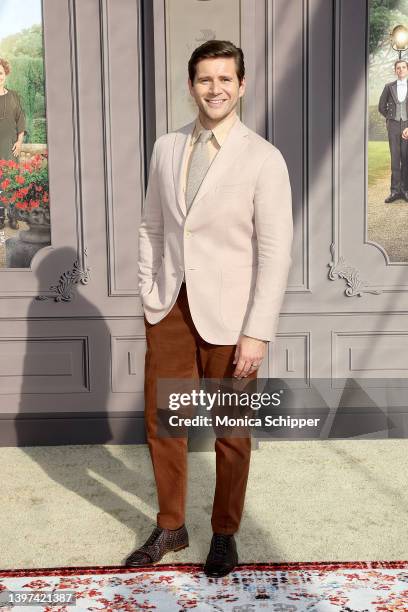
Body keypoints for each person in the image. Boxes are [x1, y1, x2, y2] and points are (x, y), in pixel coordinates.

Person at [128, 40, 293, 577]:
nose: (215, 89)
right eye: (205, 79)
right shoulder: (167, 147)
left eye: (225, 79)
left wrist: (258, 332)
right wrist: (150, 293)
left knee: (230, 429)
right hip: (170, 308)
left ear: (241, 85)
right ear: (191, 84)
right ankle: (172, 525)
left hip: (233, 318)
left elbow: (274, 252)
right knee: (164, 424)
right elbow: (152, 225)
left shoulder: (264, 158)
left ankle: (225, 532)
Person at [378, 59, 408, 203]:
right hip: (393, 126)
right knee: (395, 159)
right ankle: (395, 191)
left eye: (403, 67)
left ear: (407, 69)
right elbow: (381, 106)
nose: (401, 70)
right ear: (395, 71)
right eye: (398, 68)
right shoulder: (388, 87)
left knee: (406, 158)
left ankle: (406, 190)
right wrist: (390, 120)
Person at [0, 58, 26, 160]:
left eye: (0, 73)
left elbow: (20, 120)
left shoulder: (14, 96)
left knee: (10, 175)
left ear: (5, 74)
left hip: (10, 150)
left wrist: (19, 142)